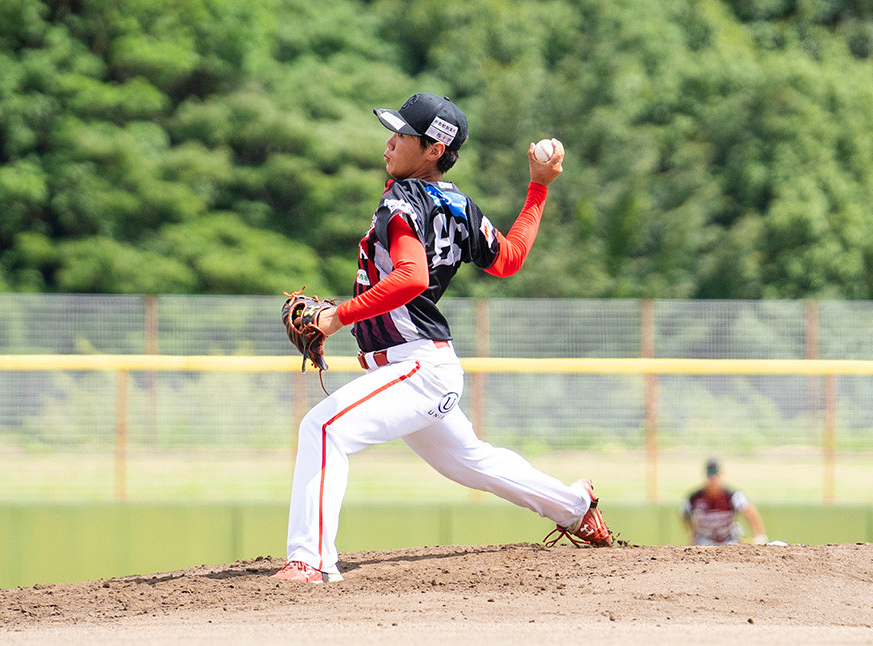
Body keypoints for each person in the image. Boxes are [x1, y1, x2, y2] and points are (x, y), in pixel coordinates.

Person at [272, 93, 612, 584]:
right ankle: (575, 505)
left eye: (402, 135)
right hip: (422, 366)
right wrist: (538, 188)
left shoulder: (400, 201)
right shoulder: (458, 204)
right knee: (472, 462)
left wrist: (337, 317)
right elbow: (509, 258)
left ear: (433, 149)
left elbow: (411, 278)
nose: (390, 142)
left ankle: (310, 561)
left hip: (416, 368)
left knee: (323, 429)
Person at [681, 458, 767, 546]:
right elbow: (684, 514)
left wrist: (759, 536)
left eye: (716, 475)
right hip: (704, 541)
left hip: (728, 540)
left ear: (721, 474)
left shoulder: (733, 496)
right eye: (710, 475)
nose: (713, 479)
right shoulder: (694, 498)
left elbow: (750, 513)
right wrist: (692, 534)